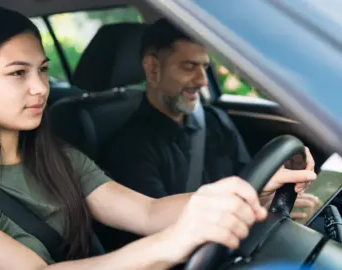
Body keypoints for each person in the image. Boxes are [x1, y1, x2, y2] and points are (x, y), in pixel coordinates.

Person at [0, 7, 317, 269]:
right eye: (18, 73)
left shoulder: (54, 155)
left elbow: (149, 213)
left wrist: (252, 197)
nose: (41, 88)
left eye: (43, 70)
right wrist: (174, 243)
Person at [99, 18, 320, 250]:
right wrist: (261, 215)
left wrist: (277, 202)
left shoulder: (215, 120)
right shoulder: (130, 148)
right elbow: (161, 239)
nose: (202, 81)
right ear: (153, 68)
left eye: (204, 67)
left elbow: (250, 179)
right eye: (189, 67)